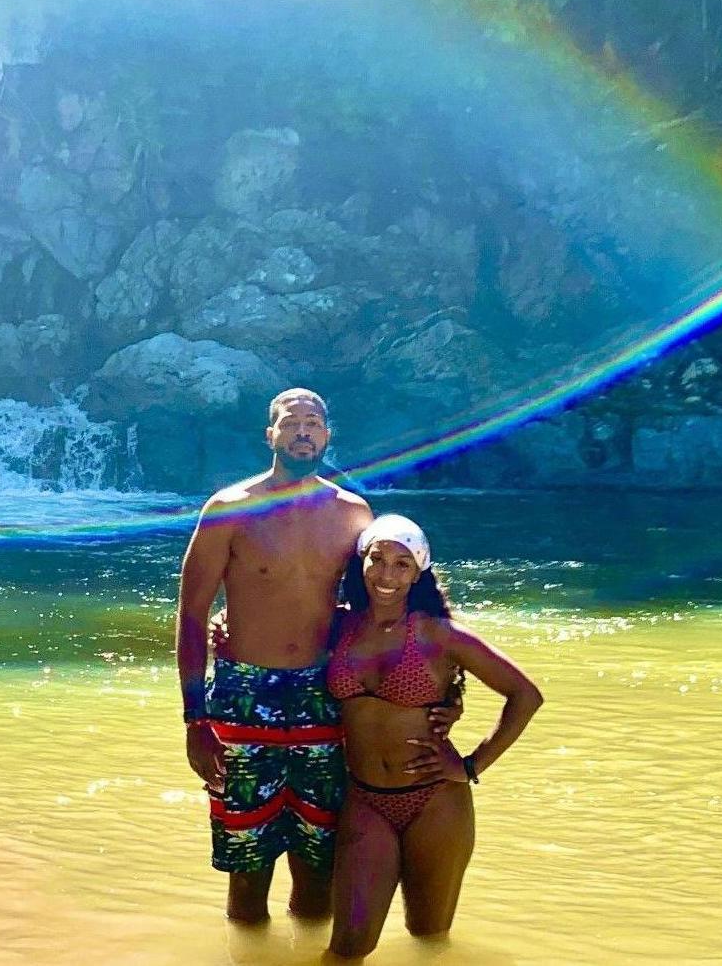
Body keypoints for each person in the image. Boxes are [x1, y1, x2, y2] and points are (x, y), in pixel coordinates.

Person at [176, 390, 455, 924]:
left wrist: (439, 695)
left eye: (314, 423)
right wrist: (194, 718)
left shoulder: (354, 514)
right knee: (247, 859)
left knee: (318, 859)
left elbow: (385, 605)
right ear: (271, 435)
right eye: (290, 422)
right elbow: (190, 615)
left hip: (323, 699)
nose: (303, 431)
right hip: (243, 697)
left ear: (327, 436)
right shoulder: (229, 508)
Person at [324, 513, 543, 959]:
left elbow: (525, 695)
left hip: (436, 801)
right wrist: (223, 629)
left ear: (419, 571)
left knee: (428, 941)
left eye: (402, 564)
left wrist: (469, 767)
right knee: (349, 947)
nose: (387, 574)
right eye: (377, 559)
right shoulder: (337, 626)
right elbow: (273, 636)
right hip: (366, 799)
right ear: (361, 562)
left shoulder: (439, 635)